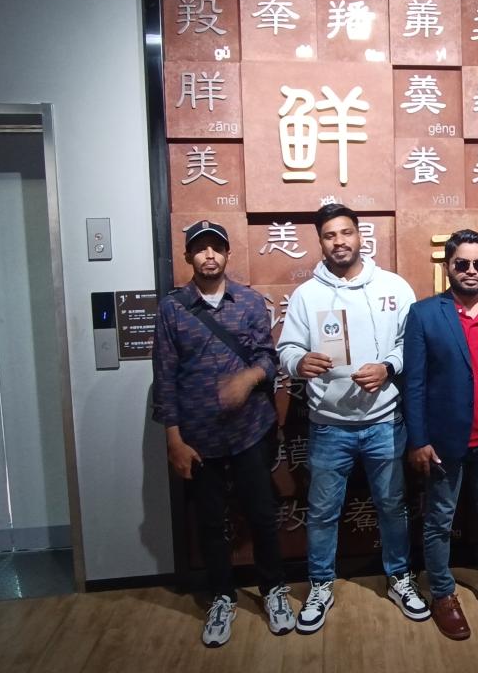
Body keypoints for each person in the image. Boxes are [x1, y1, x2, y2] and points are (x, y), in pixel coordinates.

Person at [277, 204, 429, 634]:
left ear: (360, 235)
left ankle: (399, 578)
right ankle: (320, 585)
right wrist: (298, 362)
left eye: (346, 233)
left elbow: (410, 344)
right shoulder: (307, 295)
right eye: (329, 235)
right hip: (329, 425)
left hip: (385, 422)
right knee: (323, 512)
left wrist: (388, 368)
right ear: (320, 241)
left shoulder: (394, 287)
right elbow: (286, 349)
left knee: (392, 507)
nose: (339, 242)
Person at [152, 220, 296, 647]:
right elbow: (164, 378)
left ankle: (273, 589)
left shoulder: (249, 301)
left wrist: (248, 377)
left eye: (216, 248)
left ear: (227, 254)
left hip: (250, 430)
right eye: (201, 249)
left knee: (262, 514)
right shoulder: (172, 309)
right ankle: (222, 596)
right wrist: (174, 440)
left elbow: (268, 358)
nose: (209, 255)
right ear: (188, 257)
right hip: (198, 437)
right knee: (211, 522)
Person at [403, 230, 478, 640]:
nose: (471, 271)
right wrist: (419, 440)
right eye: (462, 264)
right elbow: (414, 384)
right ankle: (442, 593)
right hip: (444, 443)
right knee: (439, 521)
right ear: (448, 267)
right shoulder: (424, 314)